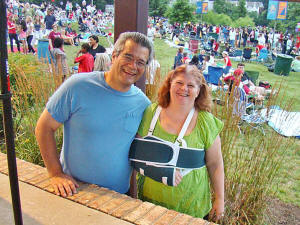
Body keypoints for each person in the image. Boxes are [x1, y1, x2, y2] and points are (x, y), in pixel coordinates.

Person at [35, 32, 152, 197]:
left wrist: (133, 196)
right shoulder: (77, 86)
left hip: (118, 197)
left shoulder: (143, 104)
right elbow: (44, 127)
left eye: (140, 62)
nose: (133, 66)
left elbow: (132, 153)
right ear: (114, 56)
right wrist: (55, 174)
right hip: (75, 191)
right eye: (128, 57)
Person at [136, 65, 224, 221]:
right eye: (179, 83)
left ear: (199, 91)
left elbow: (215, 164)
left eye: (191, 85)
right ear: (170, 84)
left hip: (191, 206)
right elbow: (136, 154)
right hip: (150, 202)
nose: (184, 88)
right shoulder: (151, 113)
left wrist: (220, 199)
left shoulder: (206, 122)